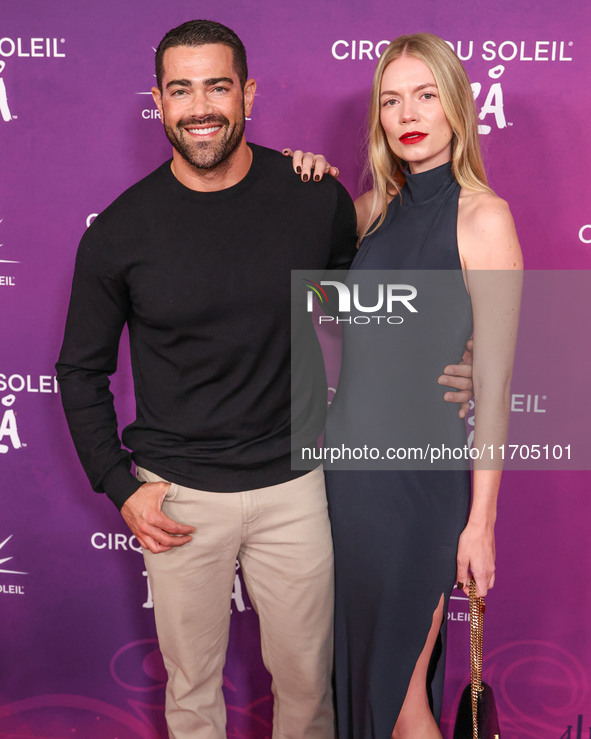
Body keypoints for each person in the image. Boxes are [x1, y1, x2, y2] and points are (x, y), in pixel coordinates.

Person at [56, 21, 474, 739]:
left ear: (245, 93)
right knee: (191, 696)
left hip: (298, 487)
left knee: (309, 694)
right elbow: (79, 369)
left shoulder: (311, 196)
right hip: (178, 495)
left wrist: (462, 356)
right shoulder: (118, 232)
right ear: (156, 101)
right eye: (180, 89)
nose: (200, 106)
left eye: (217, 85)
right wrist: (120, 485)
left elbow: (371, 304)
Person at [289, 32, 522, 739]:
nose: (407, 112)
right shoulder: (369, 213)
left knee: (398, 698)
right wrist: (302, 174)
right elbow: (303, 266)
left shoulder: (484, 217)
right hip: (348, 479)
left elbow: (496, 380)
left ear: (455, 105)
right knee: (361, 683)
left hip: (421, 486)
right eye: (390, 100)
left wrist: (480, 522)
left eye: (424, 95)